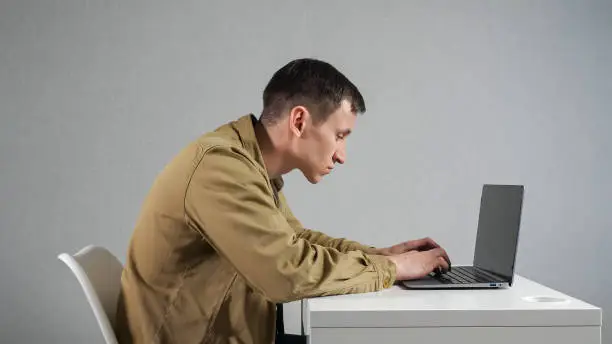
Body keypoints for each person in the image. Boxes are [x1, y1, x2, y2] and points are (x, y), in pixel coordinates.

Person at [115, 58, 451, 344]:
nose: (342, 155)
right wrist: (393, 269)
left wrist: (379, 254)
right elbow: (287, 272)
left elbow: (295, 241)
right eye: (339, 136)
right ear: (300, 121)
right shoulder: (220, 168)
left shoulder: (247, 165)